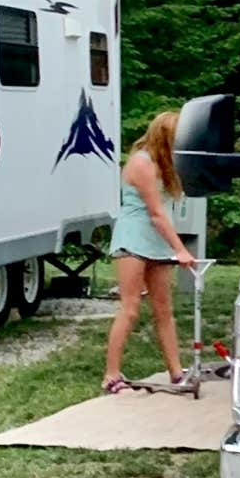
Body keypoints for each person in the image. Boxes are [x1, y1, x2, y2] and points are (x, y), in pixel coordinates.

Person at [102, 110, 197, 394]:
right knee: (130, 309)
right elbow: (155, 213)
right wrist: (180, 250)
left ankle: (176, 373)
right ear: (163, 137)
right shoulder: (141, 163)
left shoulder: (166, 164)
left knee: (164, 311)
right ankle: (111, 375)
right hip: (133, 239)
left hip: (156, 242)